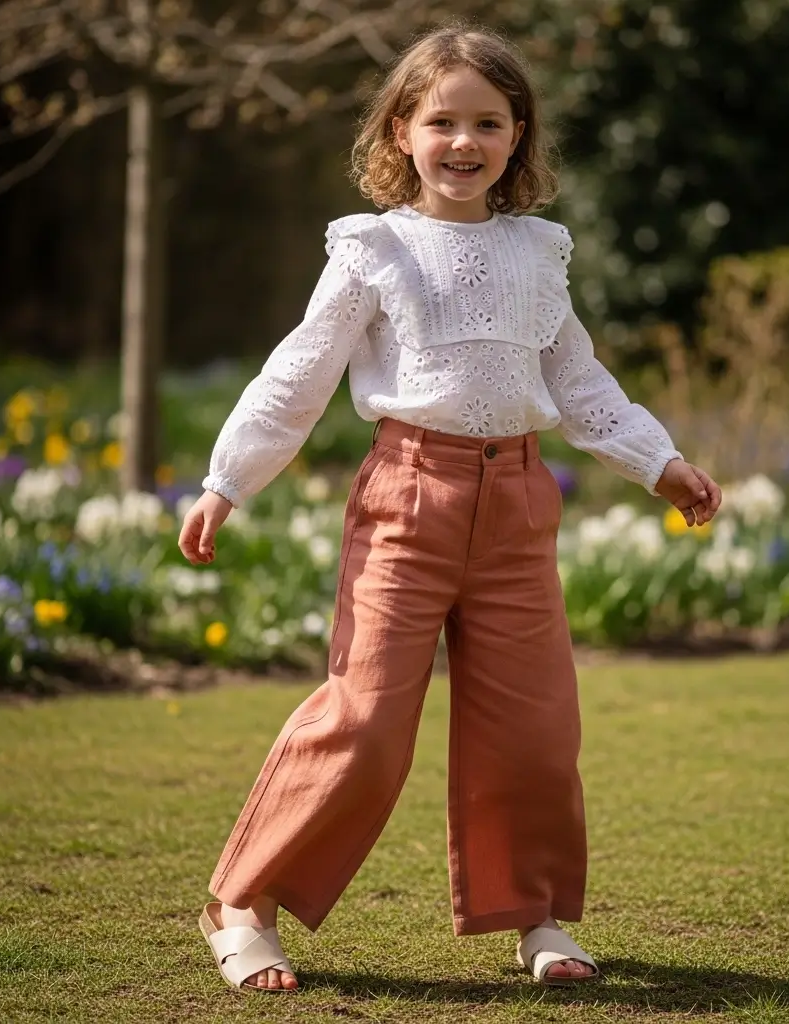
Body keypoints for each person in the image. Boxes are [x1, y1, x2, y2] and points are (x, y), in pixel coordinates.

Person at [180, 23, 722, 995]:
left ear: (518, 136)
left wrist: (661, 463)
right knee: (364, 720)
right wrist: (228, 480)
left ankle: (536, 912)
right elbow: (298, 374)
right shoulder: (373, 247)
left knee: (535, 727)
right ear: (401, 131)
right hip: (407, 500)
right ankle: (242, 903)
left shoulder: (538, 252)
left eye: (488, 122)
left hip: (518, 507)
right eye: (442, 121)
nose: (464, 142)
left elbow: (579, 380)